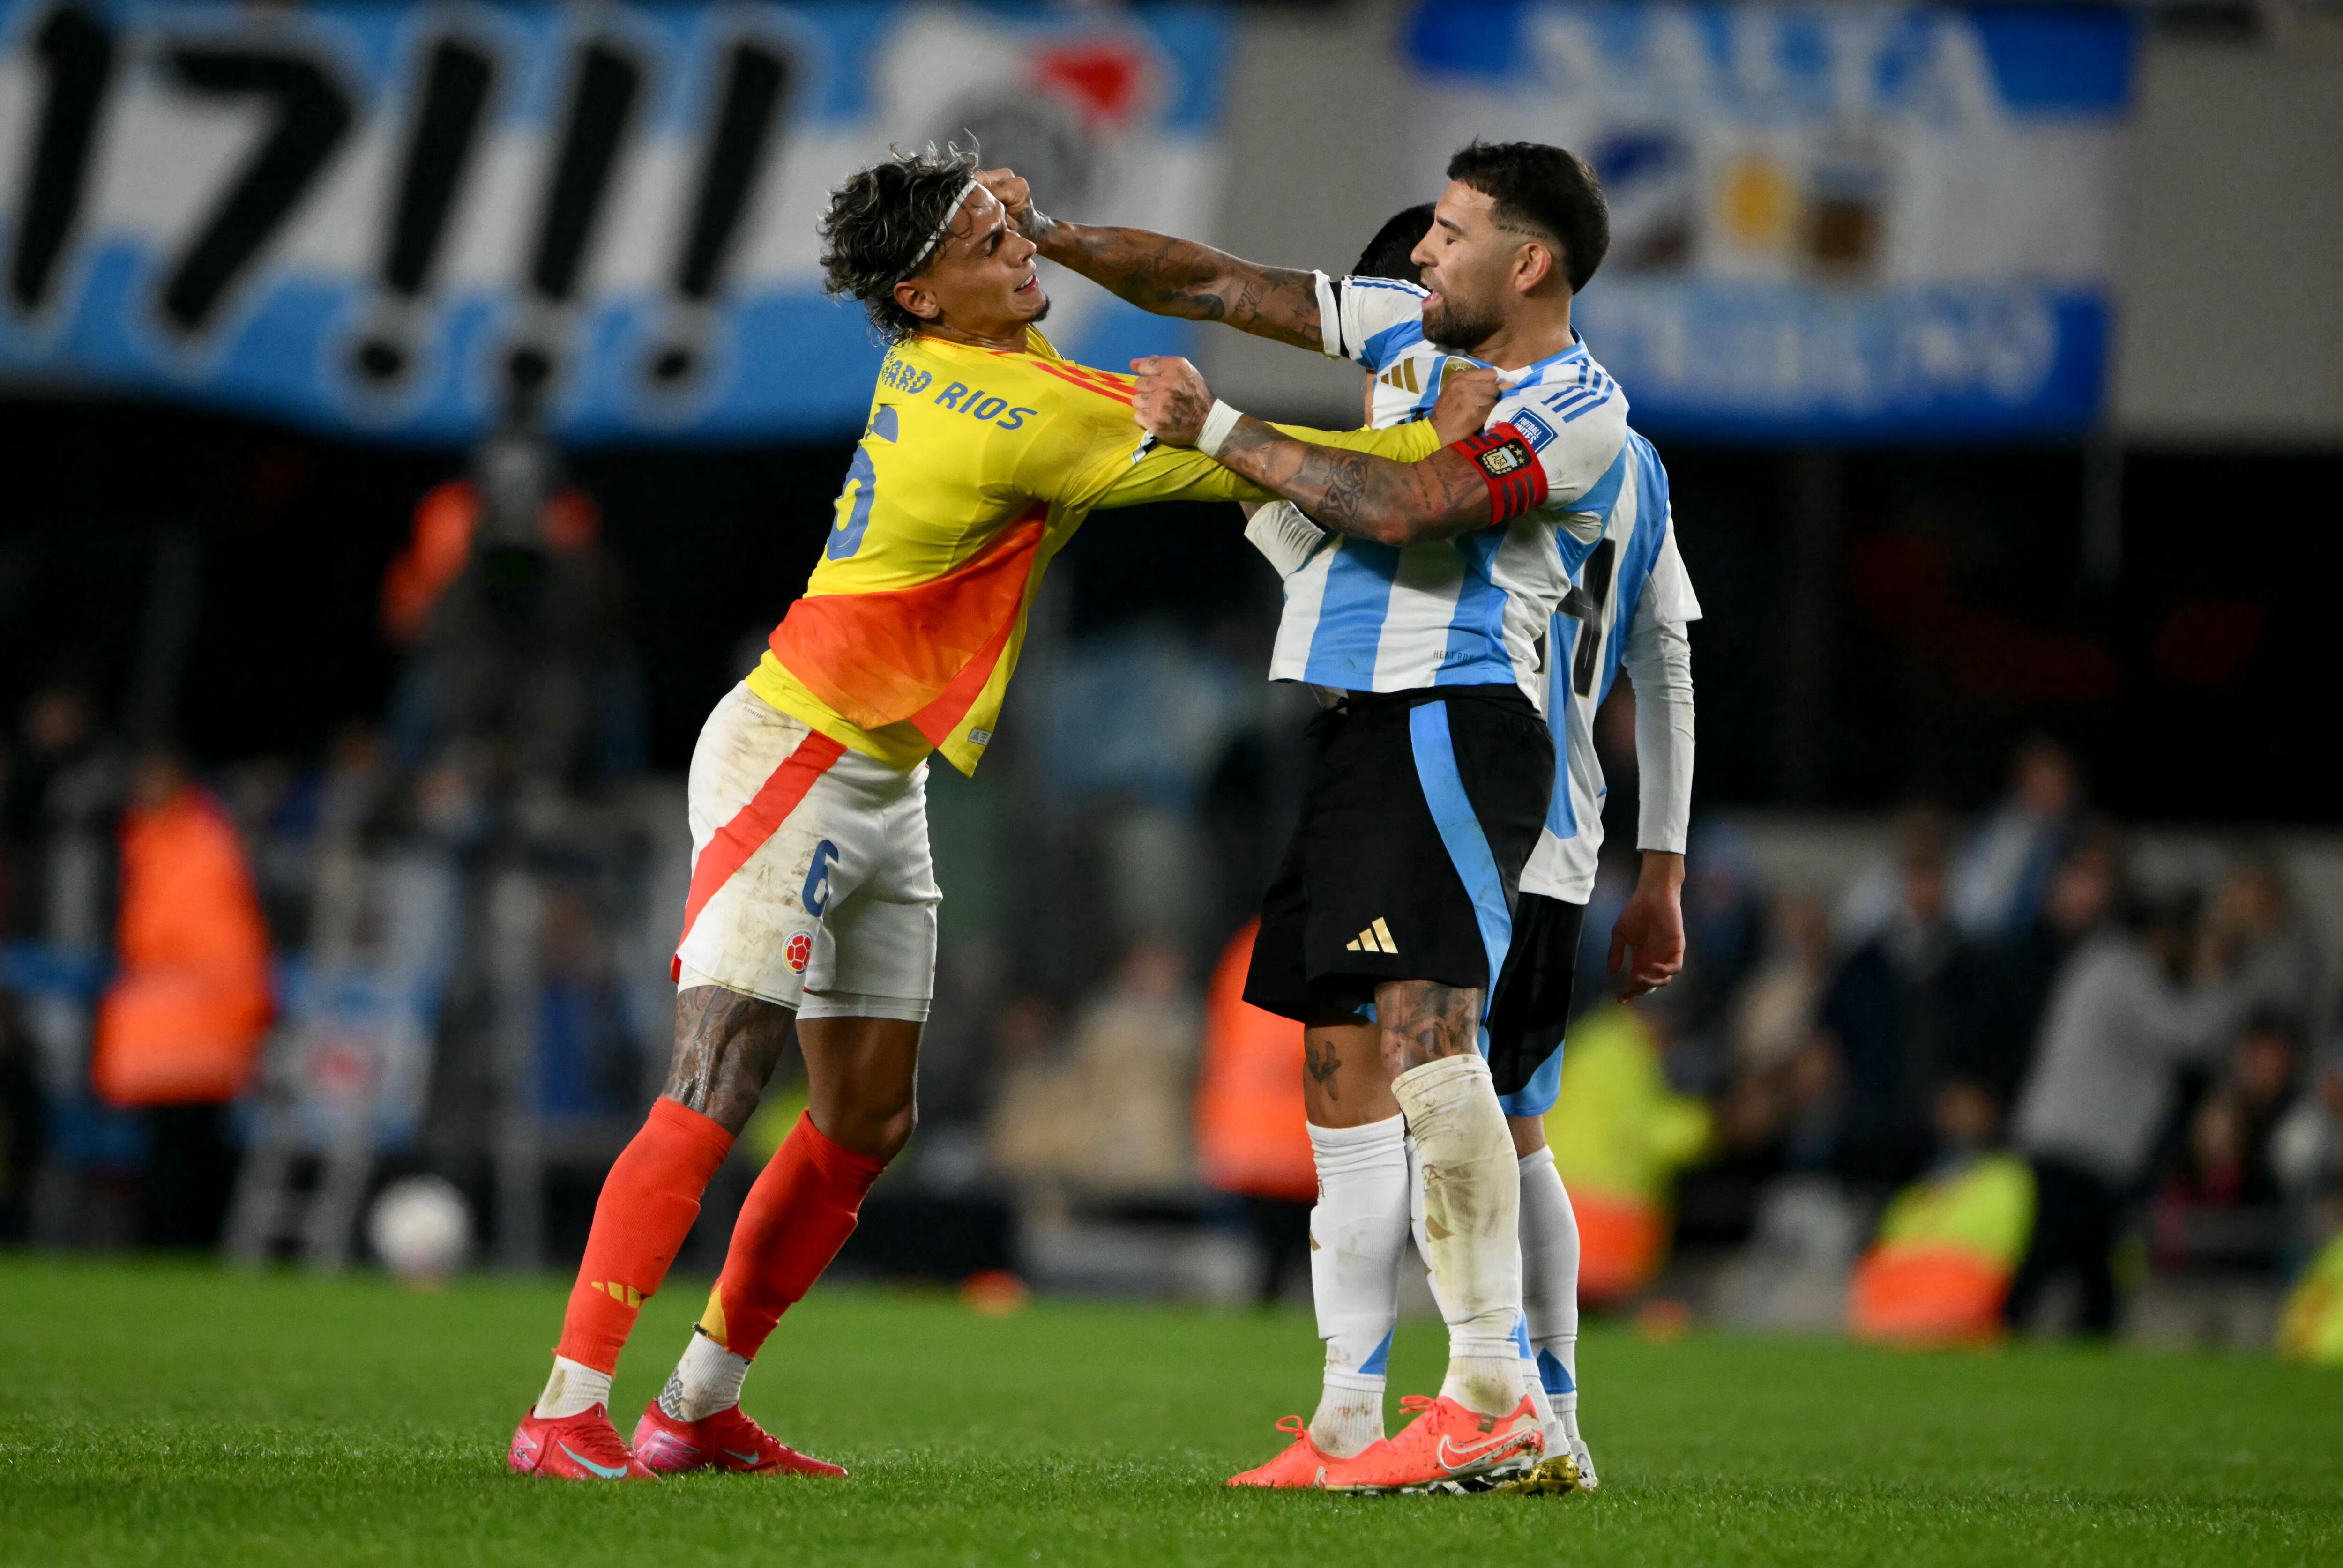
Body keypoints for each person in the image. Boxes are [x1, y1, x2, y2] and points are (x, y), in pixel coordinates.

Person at [506, 144, 1486, 1484]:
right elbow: (1256, 468)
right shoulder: (1016, 418)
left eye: (1009, 229)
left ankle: (694, 1403)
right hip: (797, 749)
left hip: (881, 772)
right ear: (923, 296)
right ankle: (565, 1410)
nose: (1020, 255)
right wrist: (1436, 433)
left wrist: (1023, 213)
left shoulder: (981, 368)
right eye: (988, 245)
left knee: (865, 1122)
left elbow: (1092, 362)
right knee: (718, 1077)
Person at [988, 141, 1691, 1494]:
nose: (1419, 252)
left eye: (1448, 229)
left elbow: (1412, 503)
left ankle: (1501, 1391)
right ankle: (1348, 1416)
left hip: (1458, 716)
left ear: (1528, 262)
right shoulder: (1412, 338)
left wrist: (1214, 429)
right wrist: (1058, 237)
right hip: (1363, 719)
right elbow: (1216, 282)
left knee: (1439, 1046)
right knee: (1338, 1065)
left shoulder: (1581, 413)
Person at [2002, 891, 2238, 1336]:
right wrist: (2215, 982)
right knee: (2056, 1250)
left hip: (2077, 1143)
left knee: (2091, 1259)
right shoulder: (2121, 970)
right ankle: (2006, 1328)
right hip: (2076, 1145)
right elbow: (2187, 1034)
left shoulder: (2104, 964)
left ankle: (2080, 1339)